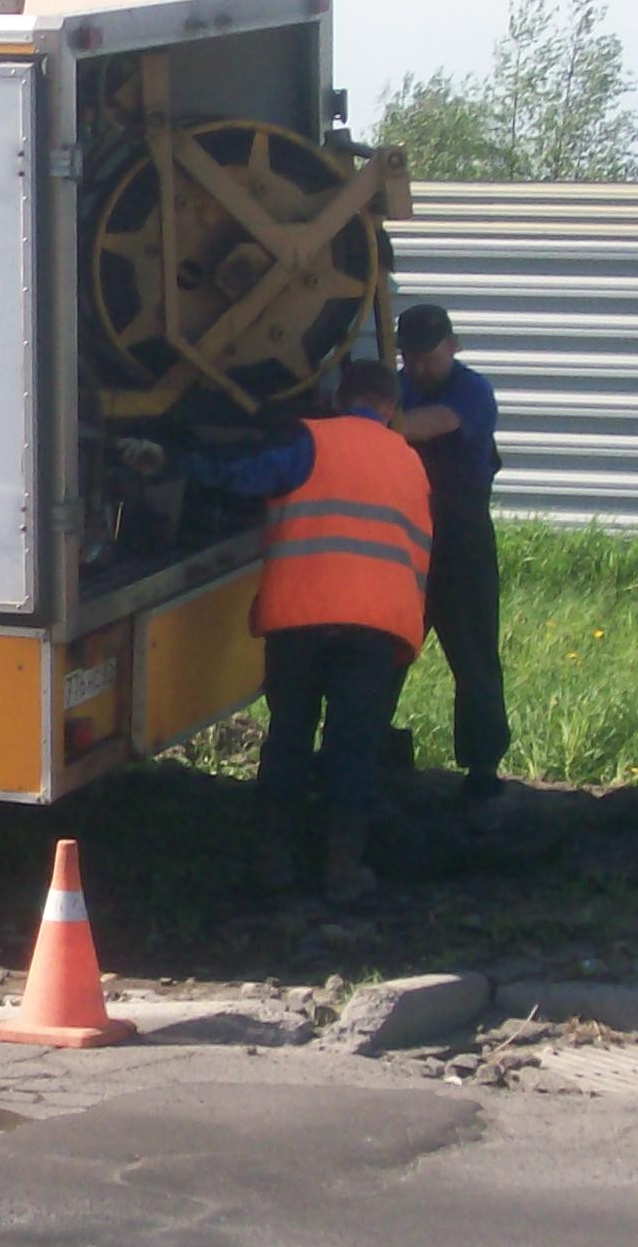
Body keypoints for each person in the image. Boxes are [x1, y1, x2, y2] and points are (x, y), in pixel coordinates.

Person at [126, 360, 432, 900]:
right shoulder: (411, 463)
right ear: (390, 407)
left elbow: (241, 473)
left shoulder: (309, 442)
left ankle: (274, 864)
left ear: (339, 397)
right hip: (375, 631)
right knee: (352, 747)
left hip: (302, 621)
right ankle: (342, 871)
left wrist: (170, 457)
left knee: (289, 738)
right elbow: (419, 557)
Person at [391, 303, 511, 806]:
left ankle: (482, 769)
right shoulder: (398, 387)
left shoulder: (472, 390)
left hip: (461, 542)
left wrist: (371, 420)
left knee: (474, 658)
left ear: (453, 346)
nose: (420, 368)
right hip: (405, 541)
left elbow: (430, 424)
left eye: (429, 358)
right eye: (411, 359)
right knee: (385, 650)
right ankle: (363, 749)